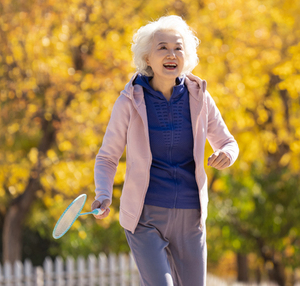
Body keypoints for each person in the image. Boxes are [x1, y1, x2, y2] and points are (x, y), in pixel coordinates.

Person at [92, 15, 239, 286]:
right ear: (147, 58)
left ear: (187, 56)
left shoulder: (200, 97)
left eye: (178, 48)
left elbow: (228, 142)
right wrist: (103, 194)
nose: (171, 54)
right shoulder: (129, 101)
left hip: (190, 216)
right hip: (145, 218)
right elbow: (107, 156)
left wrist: (227, 155)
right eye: (162, 47)